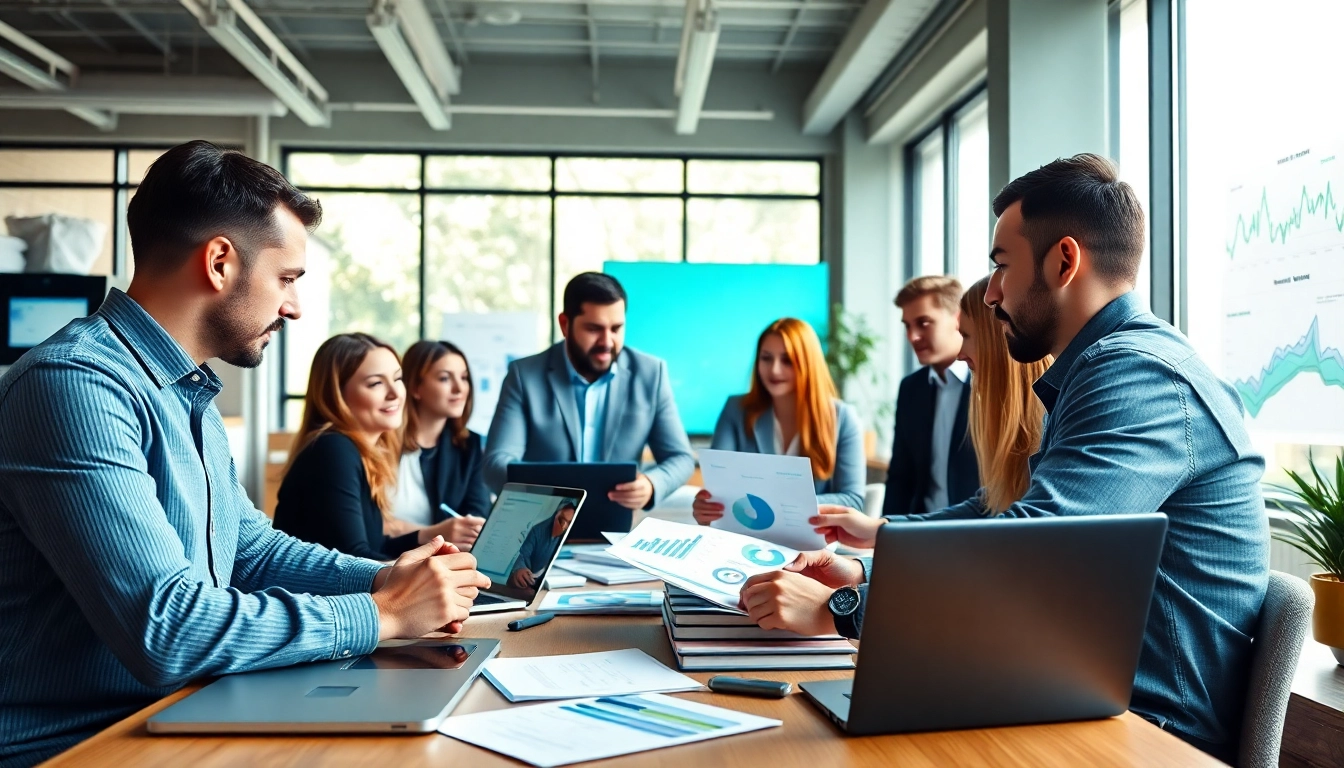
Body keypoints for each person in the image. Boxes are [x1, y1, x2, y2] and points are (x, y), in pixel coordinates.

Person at [740, 154, 1268, 763]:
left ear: (1064, 261)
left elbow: (1035, 555)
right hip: (1070, 692)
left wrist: (847, 608)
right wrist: (863, 568)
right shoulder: (1106, 370)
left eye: (1001, 266)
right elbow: (1017, 523)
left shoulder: (1136, 376)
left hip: (1146, 732)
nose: (991, 294)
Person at [0, 141, 488, 768]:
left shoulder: (189, 392)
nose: (295, 305)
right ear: (221, 262)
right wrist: (382, 613)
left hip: (175, 712)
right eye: (287, 278)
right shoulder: (74, 386)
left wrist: (382, 578)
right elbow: (167, 628)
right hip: (80, 745)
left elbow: (250, 551)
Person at [483, 272, 694, 511]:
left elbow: (681, 458)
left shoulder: (651, 374)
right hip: (540, 520)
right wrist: (551, 493)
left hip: (615, 526)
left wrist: (651, 484)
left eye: (616, 329)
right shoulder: (524, 375)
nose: (607, 342)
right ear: (565, 324)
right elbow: (495, 464)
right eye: (594, 329)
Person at [274, 333, 473, 560]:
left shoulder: (359, 452)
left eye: (398, 379)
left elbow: (374, 544)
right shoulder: (333, 450)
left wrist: (431, 537)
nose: (395, 393)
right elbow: (353, 561)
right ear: (337, 395)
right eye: (376, 383)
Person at [692, 318, 865, 524]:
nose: (774, 370)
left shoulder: (843, 418)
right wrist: (706, 507)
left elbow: (853, 500)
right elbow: (719, 487)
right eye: (766, 358)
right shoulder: (736, 410)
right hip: (748, 536)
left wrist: (780, 507)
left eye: (787, 360)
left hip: (813, 544)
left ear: (808, 364)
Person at [882, 276, 979, 517]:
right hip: (919, 535)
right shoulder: (911, 389)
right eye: (907, 325)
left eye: (923, 323)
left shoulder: (989, 385)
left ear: (958, 319)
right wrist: (884, 540)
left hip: (979, 537)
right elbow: (900, 479)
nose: (912, 336)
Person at [387, 340, 491, 546]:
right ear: (415, 388)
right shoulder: (381, 442)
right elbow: (368, 525)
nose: (459, 388)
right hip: (383, 562)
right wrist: (436, 533)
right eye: (445, 378)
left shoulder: (468, 446)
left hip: (446, 561)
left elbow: (475, 520)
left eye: (464, 378)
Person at [508, 501, 578, 589]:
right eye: (561, 520)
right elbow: (522, 553)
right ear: (556, 515)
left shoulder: (566, 535)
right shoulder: (537, 531)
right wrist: (519, 568)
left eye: (569, 522)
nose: (563, 526)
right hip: (528, 580)